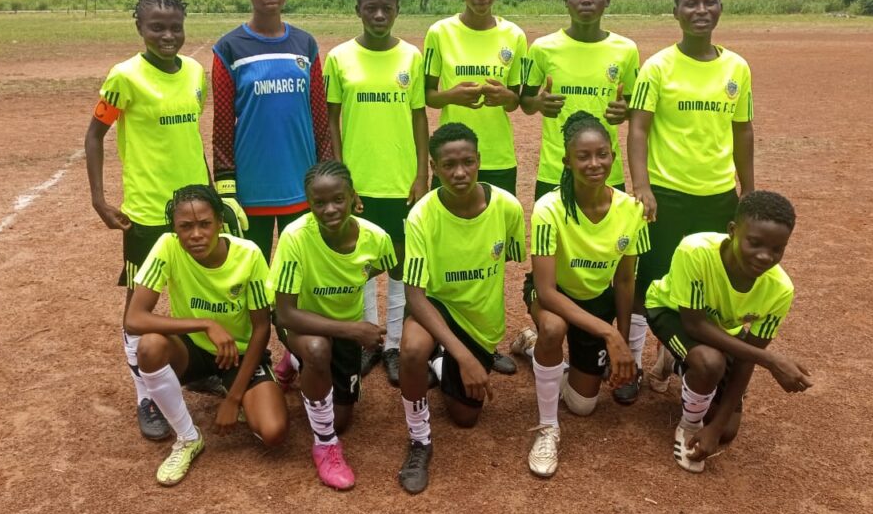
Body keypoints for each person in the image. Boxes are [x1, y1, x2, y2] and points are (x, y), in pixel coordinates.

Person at [84, 0, 211, 441]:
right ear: (139, 27)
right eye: (157, 27)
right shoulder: (124, 77)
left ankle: (197, 369)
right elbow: (94, 136)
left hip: (194, 209)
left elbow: (190, 139)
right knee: (140, 304)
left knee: (195, 292)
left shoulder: (195, 72)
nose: (168, 35)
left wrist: (212, 197)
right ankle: (146, 395)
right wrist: (99, 199)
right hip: (147, 213)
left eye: (175, 26)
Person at [625, 0, 755, 404]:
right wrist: (642, 186)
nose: (701, 10)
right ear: (676, 11)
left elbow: (743, 131)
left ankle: (669, 359)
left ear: (721, 7)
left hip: (717, 197)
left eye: (709, 2)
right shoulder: (658, 66)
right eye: (691, 3)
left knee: (705, 285)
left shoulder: (737, 68)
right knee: (650, 283)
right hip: (666, 195)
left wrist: (748, 193)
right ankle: (631, 363)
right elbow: (638, 129)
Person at [515, 0, 640, 401]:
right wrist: (538, 103)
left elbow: (634, 108)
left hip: (609, 177)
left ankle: (620, 353)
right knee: (552, 270)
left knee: (613, 265)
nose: (586, 0)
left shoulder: (626, 50)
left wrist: (625, 112)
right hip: (555, 174)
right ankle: (543, 336)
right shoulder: (543, 48)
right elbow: (526, 101)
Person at [125, 185, 288, 486]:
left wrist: (234, 399)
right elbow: (134, 319)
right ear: (175, 229)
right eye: (185, 226)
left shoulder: (248, 255)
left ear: (220, 223)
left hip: (238, 354)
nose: (196, 234)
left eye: (205, 224)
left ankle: (233, 388)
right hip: (192, 350)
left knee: (274, 433)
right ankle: (188, 437)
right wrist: (205, 324)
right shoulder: (168, 247)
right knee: (149, 346)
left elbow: (262, 327)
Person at [396, 123, 526, 494]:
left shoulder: (507, 207)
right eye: (449, 165)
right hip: (435, 306)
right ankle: (419, 439)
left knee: (466, 418)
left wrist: (470, 352)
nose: (460, 172)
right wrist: (464, 358)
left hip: (478, 321)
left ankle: (441, 361)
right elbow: (415, 296)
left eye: (468, 162)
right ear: (434, 168)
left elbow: (509, 261)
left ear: (479, 161)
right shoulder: (422, 215)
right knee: (412, 350)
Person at [644, 191, 812, 473]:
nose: (765, 256)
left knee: (727, 430)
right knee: (711, 363)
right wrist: (771, 360)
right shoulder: (695, 251)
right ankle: (688, 425)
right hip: (671, 312)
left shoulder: (780, 289)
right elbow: (695, 324)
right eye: (754, 243)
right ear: (732, 231)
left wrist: (717, 427)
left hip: (720, 330)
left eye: (777, 249)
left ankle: (674, 362)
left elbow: (749, 357)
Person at [526, 111, 650, 478]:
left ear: (613, 155)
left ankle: (536, 351)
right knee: (553, 329)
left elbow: (625, 281)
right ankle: (548, 427)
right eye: (583, 156)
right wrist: (609, 333)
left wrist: (621, 341)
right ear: (567, 161)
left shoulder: (632, 210)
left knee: (583, 405)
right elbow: (546, 290)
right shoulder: (549, 208)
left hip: (596, 303)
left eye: (602, 154)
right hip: (554, 297)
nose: (594, 164)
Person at [423, 0, 527, 374]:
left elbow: (518, 99)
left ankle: (487, 341)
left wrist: (506, 97)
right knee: (446, 252)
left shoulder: (514, 36)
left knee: (491, 254)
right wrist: (452, 95)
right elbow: (428, 95)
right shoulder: (439, 33)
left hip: (497, 158)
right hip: (453, 164)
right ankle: (439, 343)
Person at [325, 0, 428, 386]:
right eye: (371, 7)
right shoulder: (339, 58)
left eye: (387, 7)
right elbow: (332, 120)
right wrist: (341, 178)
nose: (380, 14)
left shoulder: (411, 57)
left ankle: (395, 345)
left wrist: (422, 174)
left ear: (398, 9)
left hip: (401, 182)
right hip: (359, 184)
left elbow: (419, 117)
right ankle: (367, 341)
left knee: (401, 265)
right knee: (362, 264)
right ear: (358, 10)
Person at [269, 161, 396, 490]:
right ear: (309, 203)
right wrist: (355, 330)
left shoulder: (375, 238)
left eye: (338, 199)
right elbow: (285, 313)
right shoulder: (295, 237)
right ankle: (325, 445)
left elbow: (387, 266)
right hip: (301, 323)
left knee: (342, 421)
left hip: (341, 328)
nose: (329, 209)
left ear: (353, 196)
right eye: (319, 203)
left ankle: (293, 362)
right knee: (316, 349)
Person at [212, 0, 333, 262]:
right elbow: (222, 123)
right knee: (253, 272)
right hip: (252, 187)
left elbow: (319, 116)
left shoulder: (305, 44)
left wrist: (327, 171)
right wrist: (226, 187)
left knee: (303, 270)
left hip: (303, 183)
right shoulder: (229, 47)